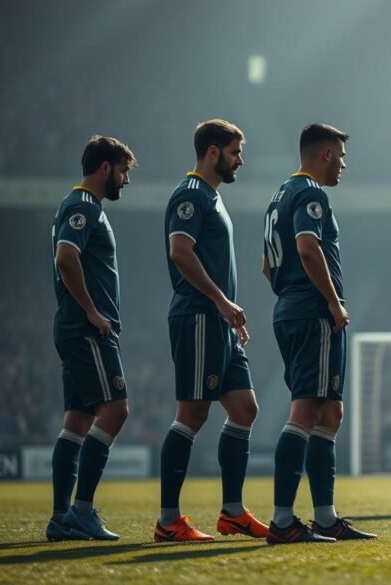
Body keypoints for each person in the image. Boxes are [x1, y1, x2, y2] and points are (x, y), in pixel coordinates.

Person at [262, 123, 376, 544]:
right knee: (307, 412)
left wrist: (289, 295)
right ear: (326, 153)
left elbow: (267, 265)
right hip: (314, 314)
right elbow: (308, 247)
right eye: (342, 157)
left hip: (291, 310)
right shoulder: (311, 193)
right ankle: (282, 521)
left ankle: (326, 519)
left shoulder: (279, 196)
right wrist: (331, 301)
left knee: (330, 413)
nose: (344, 165)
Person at [155, 119, 266, 542]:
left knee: (245, 409)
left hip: (219, 320)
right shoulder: (191, 194)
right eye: (235, 151)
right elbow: (179, 251)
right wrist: (221, 301)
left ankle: (233, 513)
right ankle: (168, 522)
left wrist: (228, 310)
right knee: (193, 413)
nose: (240, 159)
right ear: (213, 152)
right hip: (199, 315)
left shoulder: (214, 198)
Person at [48, 135, 136, 541]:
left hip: (74, 327)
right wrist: (91, 311)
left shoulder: (81, 206)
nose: (126, 180)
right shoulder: (83, 206)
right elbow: (66, 257)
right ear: (105, 168)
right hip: (86, 329)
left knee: (77, 422)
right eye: (123, 171)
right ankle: (82, 510)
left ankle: (61, 517)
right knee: (116, 412)